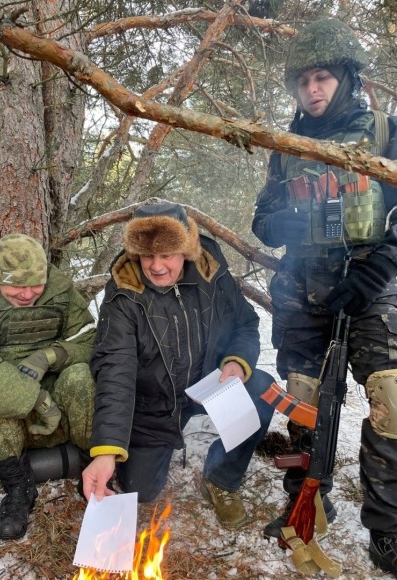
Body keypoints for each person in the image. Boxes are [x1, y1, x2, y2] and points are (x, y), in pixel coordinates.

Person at [251, 18, 397, 576]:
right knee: (302, 400)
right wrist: (283, 218)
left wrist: (378, 266)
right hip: (302, 289)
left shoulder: (384, 131)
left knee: (389, 397)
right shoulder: (286, 146)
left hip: (372, 285)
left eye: (323, 79)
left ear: (345, 78)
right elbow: (263, 217)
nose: (313, 90)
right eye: (303, 80)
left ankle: (385, 526)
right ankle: (307, 493)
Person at [81, 201, 275, 529]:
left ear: (185, 251)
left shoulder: (209, 268)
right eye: (147, 256)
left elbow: (244, 322)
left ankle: (222, 478)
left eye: (166, 255)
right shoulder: (124, 293)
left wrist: (237, 364)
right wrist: (106, 451)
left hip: (209, 385)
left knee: (262, 391)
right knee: (140, 490)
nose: (156, 267)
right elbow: (116, 370)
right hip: (153, 403)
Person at [0, 233, 96, 541]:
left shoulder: (59, 289)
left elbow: (90, 337)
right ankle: (18, 486)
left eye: (35, 285)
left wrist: (51, 355)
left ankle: (94, 466)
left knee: (82, 377)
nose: (27, 295)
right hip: (5, 421)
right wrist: (37, 399)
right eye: (15, 285)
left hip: (59, 410)